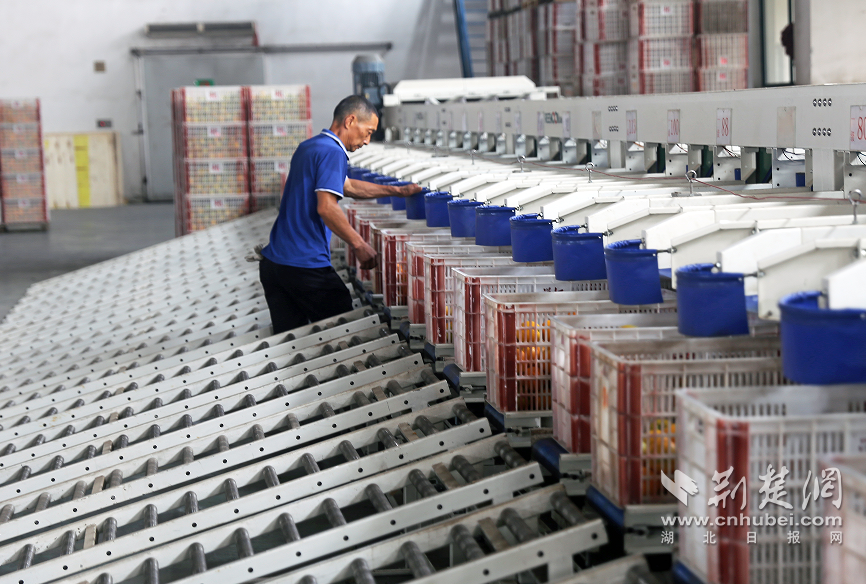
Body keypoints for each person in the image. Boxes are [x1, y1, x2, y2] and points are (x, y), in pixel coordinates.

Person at [258, 95, 422, 334]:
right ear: (350, 121)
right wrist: (359, 244)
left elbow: (349, 186)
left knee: (290, 341)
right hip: (305, 264)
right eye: (367, 132)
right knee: (345, 329)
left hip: (274, 264)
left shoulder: (311, 146)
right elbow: (326, 207)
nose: (367, 141)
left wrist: (398, 191)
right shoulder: (333, 152)